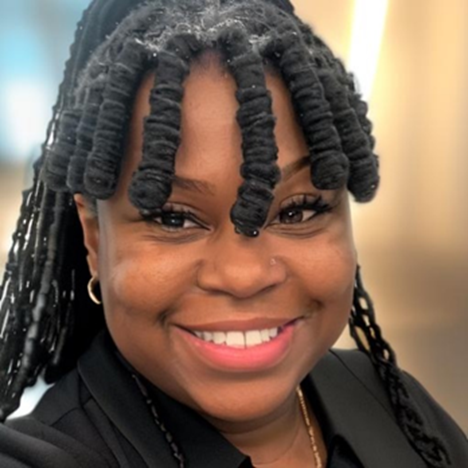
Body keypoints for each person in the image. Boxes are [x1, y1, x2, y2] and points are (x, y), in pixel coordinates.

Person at [0, 0, 466, 467]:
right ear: (95, 240)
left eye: (298, 211)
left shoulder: (394, 405)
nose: (244, 276)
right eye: (174, 219)